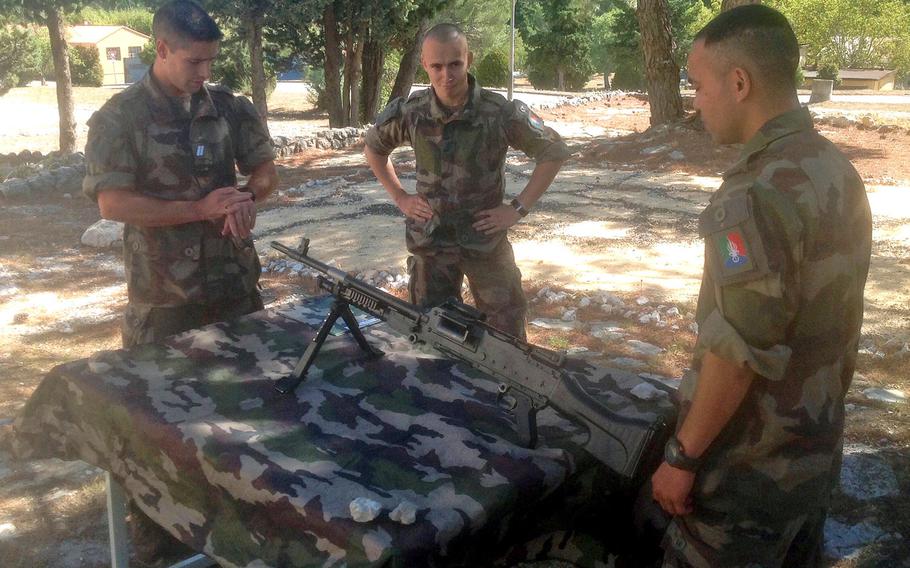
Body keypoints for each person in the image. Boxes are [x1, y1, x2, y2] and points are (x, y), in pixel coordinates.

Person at [650, 5, 872, 567]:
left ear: (739, 82)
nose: (695, 100)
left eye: (698, 86)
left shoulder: (751, 195)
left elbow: (737, 354)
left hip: (747, 474)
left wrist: (682, 457)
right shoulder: (833, 168)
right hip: (812, 454)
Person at [82, 0, 277, 562]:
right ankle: (158, 549)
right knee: (155, 435)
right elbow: (113, 203)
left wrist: (247, 195)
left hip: (237, 291)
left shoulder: (230, 108)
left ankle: (246, 533)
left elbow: (266, 169)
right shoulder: (118, 119)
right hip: (164, 302)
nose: (205, 72)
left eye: (212, 60)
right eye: (194, 61)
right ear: (161, 49)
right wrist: (199, 208)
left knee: (247, 421)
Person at [363, 23, 570, 340]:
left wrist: (517, 208)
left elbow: (552, 152)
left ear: (469, 60)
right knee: (431, 337)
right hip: (431, 244)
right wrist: (401, 197)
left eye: (455, 64)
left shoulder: (498, 113)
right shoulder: (412, 112)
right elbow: (374, 150)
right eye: (437, 66)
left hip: (485, 241)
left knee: (507, 340)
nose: (446, 74)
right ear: (425, 65)